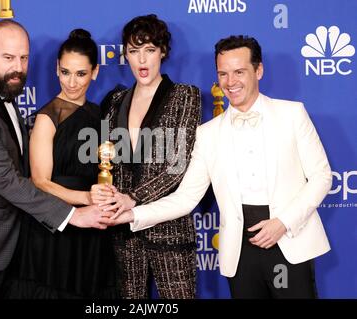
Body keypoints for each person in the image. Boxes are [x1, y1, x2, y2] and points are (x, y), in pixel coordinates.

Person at [111, 35, 332, 299]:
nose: (231, 82)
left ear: (258, 70)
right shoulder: (208, 134)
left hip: (290, 240)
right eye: (223, 74)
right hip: (240, 251)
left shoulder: (292, 114)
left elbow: (321, 177)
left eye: (239, 72)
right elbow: (185, 198)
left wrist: (283, 223)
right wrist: (132, 215)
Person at [0, 20, 112, 299]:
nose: (17, 66)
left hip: (6, 244)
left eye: (23, 58)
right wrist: (74, 213)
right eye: (8, 57)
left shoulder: (1, 93)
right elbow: (8, 181)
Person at [0, 28, 118, 299]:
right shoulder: (47, 117)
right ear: (56, 69)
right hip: (54, 228)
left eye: (81, 74)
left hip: (93, 229)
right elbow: (40, 182)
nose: (72, 83)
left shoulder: (99, 114)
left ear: (95, 72)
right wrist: (86, 198)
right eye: (65, 72)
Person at [91, 14, 201, 299]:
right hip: (125, 235)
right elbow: (108, 162)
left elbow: (177, 166)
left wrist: (133, 199)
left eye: (149, 50)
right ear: (125, 55)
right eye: (134, 51)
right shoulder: (115, 102)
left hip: (170, 232)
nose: (142, 60)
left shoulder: (184, 96)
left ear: (162, 52)